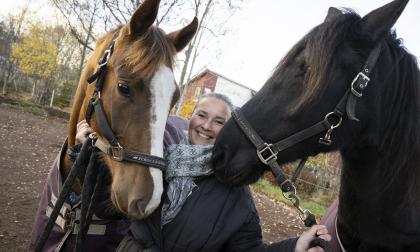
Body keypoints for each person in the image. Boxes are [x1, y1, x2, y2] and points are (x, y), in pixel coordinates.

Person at [98, 92, 330, 252]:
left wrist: (295, 246)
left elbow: (249, 250)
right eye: (201, 115)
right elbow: (108, 208)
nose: (206, 126)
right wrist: (90, 152)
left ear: (228, 131)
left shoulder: (236, 195)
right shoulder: (155, 161)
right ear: (191, 117)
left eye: (219, 122)